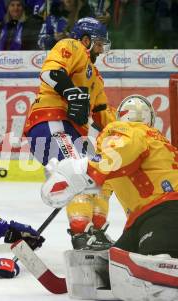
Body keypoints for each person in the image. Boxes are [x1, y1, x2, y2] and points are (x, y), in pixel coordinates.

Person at [41, 94, 178, 299]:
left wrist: (77, 170)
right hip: (144, 218)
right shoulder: (156, 141)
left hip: (165, 211)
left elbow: (115, 155)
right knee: (114, 267)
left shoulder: (130, 131)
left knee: (156, 259)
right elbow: (102, 185)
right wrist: (76, 178)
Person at [23, 17, 116, 250]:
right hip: (51, 121)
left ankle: (95, 230)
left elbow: (103, 115)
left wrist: (124, 132)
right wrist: (71, 92)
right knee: (77, 171)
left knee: (102, 174)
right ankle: (81, 235)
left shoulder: (96, 77)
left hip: (74, 132)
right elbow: (50, 72)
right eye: (98, 43)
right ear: (85, 39)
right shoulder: (72, 46)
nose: (101, 49)